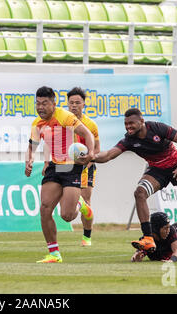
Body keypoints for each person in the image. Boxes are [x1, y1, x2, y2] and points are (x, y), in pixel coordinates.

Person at [92, 108, 177, 253]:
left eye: (131, 123)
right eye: (126, 124)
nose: (128, 127)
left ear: (142, 121)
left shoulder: (157, 128)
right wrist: (92, 157)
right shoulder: (129, 140)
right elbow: (108, 155)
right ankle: (148, 238)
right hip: (157, 171)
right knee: (140, 193)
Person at [25, 86, 95, 263]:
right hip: (54, 166)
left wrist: (91, 153)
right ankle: (54, 253)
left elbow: (87, 134)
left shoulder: (64, 116)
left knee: (67, 216)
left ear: (53, 103)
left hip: (72, 167)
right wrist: (29, 160)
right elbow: (32, 145)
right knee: (45, 208)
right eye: (38, 103)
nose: (40, 107)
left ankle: (81, 204)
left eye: (45, 103)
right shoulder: (37, 124)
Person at [67, 87, 101, 247]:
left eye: (77, 102)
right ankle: (79, 205)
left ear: (84, 104)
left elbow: (97, 149)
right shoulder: (63, 122)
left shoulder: (90, 125)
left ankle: (87, 238)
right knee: (70, 205)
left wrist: (88, 163)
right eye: (71, 103)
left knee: (87, 200)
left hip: (86, 167)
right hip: (66, 167)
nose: (74, 105)